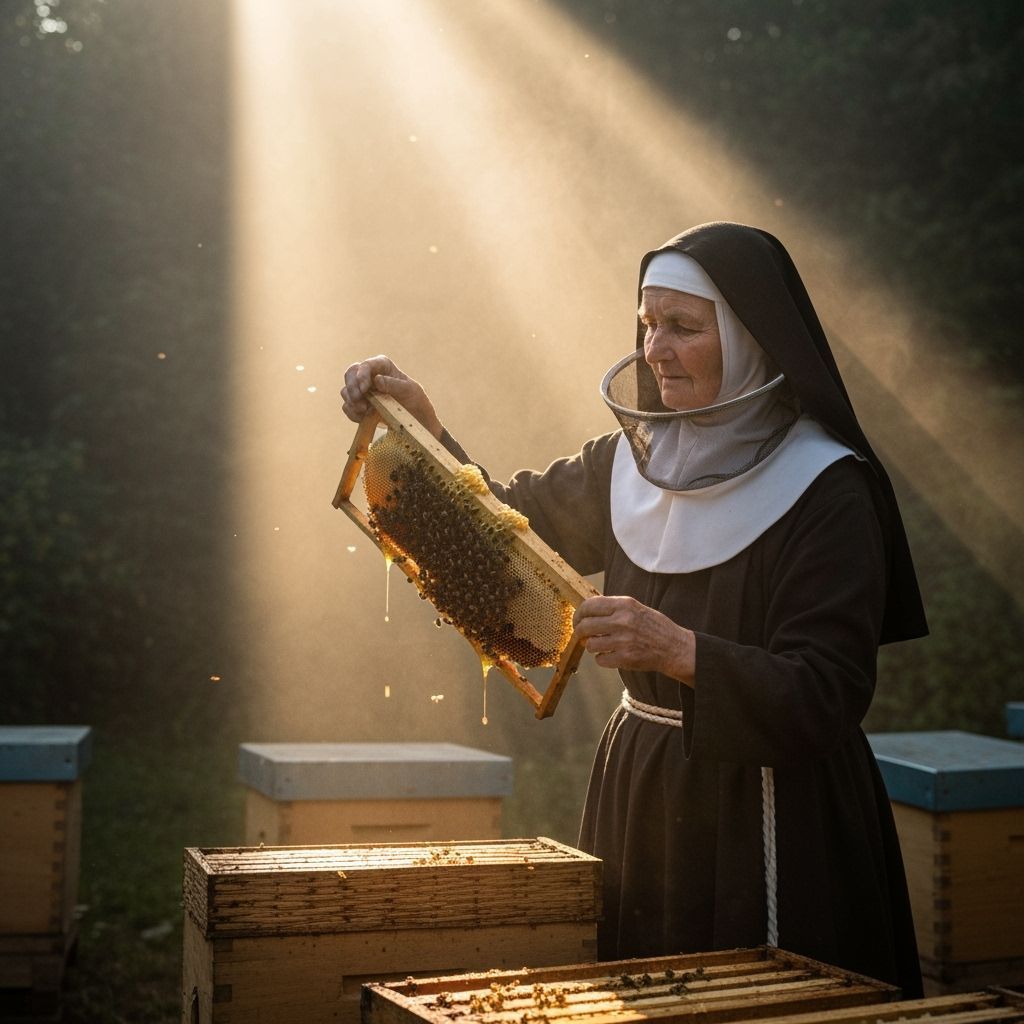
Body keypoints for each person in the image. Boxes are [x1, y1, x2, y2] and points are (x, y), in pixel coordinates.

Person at [340, 221, 928, 996]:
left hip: (774, 813)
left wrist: (681, 651)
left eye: (684, 327)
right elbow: (505, 537)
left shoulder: (828, 488)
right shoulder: (625, 461)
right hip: (642, 786)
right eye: (649, 324)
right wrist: (426, 429)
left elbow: (828, 692)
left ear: (750, 338)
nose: (655, 349)